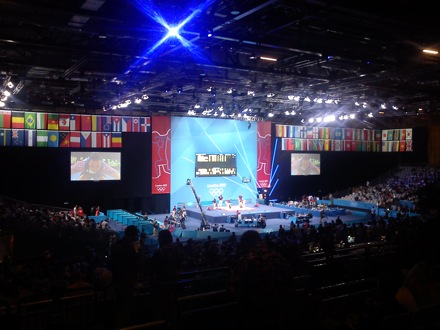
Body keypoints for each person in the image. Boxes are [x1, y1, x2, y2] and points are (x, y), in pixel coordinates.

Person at [108, 225, 141, 327]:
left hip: (117, 281)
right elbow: (137, 264)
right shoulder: (130, 248)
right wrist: (137, 251)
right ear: (133, 236)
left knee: (120, 306)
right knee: (125, 308)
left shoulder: (116, 245)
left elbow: (111, 263)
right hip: (126, 282)